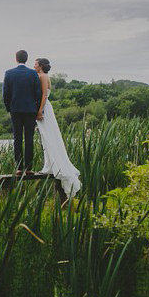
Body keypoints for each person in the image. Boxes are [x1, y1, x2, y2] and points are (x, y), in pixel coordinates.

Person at [34, 58, 82, 198]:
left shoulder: (43, 76)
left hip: (44, 109)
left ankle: (51, 165)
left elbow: (44, 94)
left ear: (41, 66)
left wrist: (40, 110)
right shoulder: (43, 76)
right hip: (45, 108)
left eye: (36, 64)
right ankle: (49, 164)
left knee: (48, 136)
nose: (34, 66)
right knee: (46, 136)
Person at [3, 50, 42, 176]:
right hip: (30, 110)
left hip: (15, 110)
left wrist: (9, 107)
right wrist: (36, 108)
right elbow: (38, 92)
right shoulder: (33, 73)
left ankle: (19, 168)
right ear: (27, 59)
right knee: (29, 138)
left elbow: (6, 94)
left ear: (16, 59)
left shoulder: (9, 73)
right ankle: (29, 168)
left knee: (17, 138)